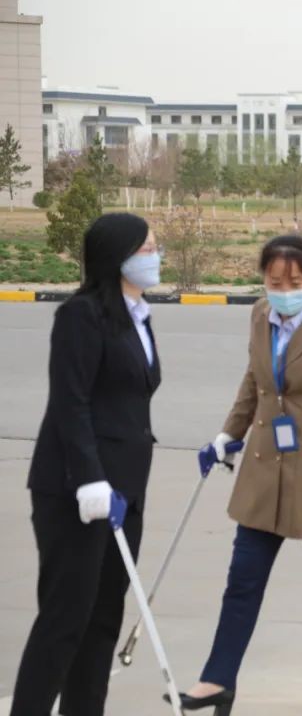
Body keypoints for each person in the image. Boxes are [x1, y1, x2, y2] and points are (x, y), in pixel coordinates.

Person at [175, 235, 302, 716]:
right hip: (264, 468)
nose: (284, 289)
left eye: (295, 280)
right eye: (274, 281)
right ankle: (217, 679)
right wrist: (229, 434)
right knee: (242, 581)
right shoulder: (259, 316)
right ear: (264, 279)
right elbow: (255, 380)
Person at [11, 213, 163, 716]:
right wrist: (91, 478)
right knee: (65, 620)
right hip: (78, 492)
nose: (155, 256)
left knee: (103, 621)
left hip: (126, 494)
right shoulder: (81, 315)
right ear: (117, 256)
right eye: (147, 248)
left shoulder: (138, 316)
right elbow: (70, 402)